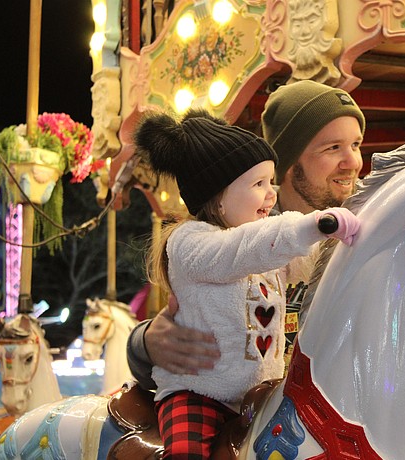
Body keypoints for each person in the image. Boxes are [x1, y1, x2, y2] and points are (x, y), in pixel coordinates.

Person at [128, 80, 405, 459]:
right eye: (332, 147)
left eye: (354, 144)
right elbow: (196, 313)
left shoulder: (378, 241)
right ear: (287, 164)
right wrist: (144, 344)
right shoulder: (232, 242)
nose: (353, 161)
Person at [134, 108, 359, 458]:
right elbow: (243, 250)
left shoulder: (264, 247)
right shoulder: (193, 244)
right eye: (259, 184)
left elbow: (314, 258)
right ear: (218, 197)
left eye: (271, 182)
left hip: (261, 394)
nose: (271, 194)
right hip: (198, 394)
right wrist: (313, 224)